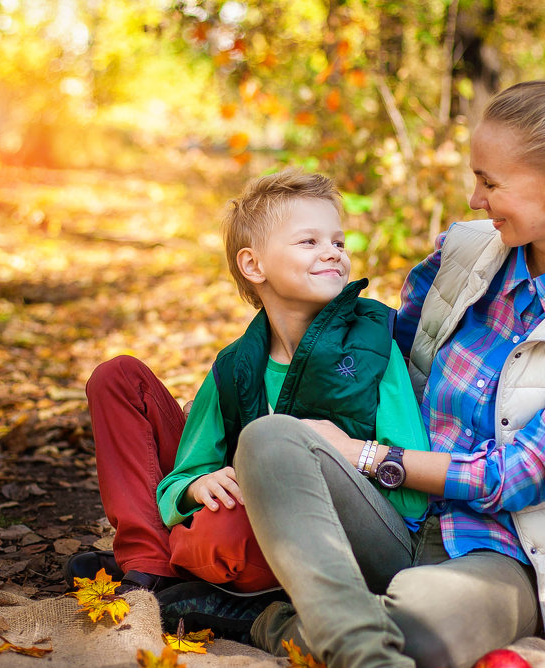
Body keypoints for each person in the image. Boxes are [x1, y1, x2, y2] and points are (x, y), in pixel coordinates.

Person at [163, 79, 545, 668]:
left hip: (506, 551)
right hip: (393, 514)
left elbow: (524, 475)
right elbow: (386, 361)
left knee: (421, 636)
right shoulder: (461, 255)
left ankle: (267, 622)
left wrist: (365, 456)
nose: (475, 198)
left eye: (488, 181)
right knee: (268, 439)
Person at [66, 170, 430, 638]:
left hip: (336, 532)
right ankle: (152, 570)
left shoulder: (376, 346)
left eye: (338, 242)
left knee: (227, 529)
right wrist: (198, 486)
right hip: (236, 520)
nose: (333, 252)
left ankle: (212, 590)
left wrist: (344, 457)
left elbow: (413, 495)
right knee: (117, 377)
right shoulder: (236, 365)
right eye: (309, 241)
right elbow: (180, 478)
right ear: (254, 266)